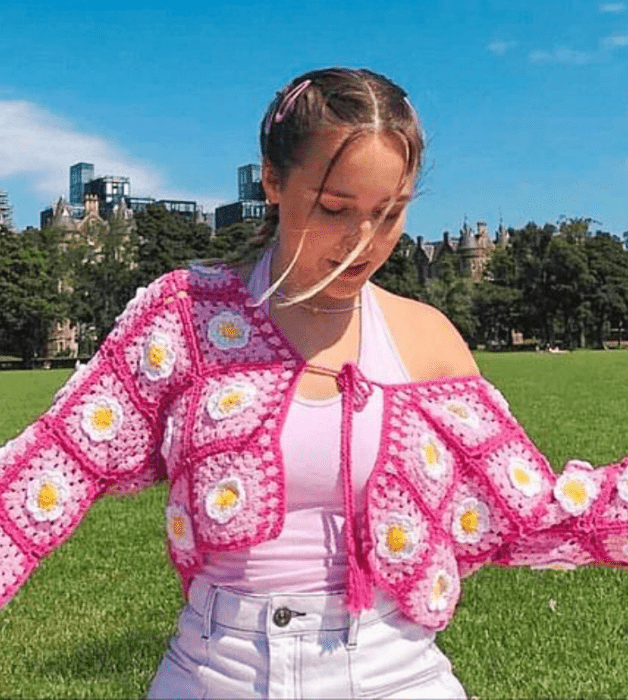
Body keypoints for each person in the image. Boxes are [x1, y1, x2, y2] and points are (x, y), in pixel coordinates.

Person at [1, 67, 628, 699]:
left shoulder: (424, 339)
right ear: (272, 182)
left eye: (388, 215)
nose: (362, 243)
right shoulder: (188, 318)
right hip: (217, 672)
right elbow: (48, 475)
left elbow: (534, 512)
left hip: (395, 673)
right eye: (334, 210)